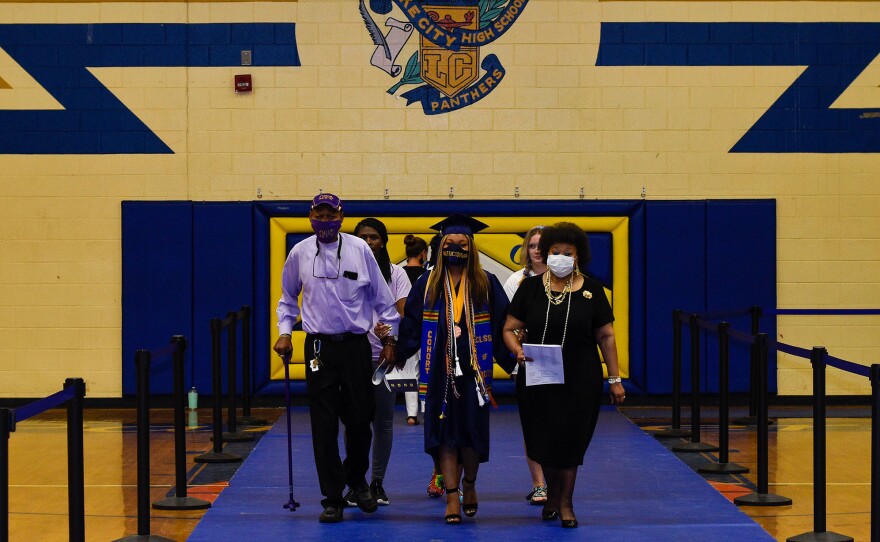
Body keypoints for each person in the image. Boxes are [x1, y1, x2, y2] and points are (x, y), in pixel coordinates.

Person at [272, 194, 401, 524]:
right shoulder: (299, 252)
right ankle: (332, 497)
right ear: (311, 215)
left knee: (361, 420)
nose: (326, 219)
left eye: (331, 214)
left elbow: (383, 302)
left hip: (357, 346)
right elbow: (287, 299)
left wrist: (390, 338)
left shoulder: (360, 249)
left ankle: (356, 479)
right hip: (318, 348)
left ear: (341, 216)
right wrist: (285, 332)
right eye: (320, 213)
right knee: (324, 424)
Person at [502, 222, 626, 529]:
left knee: (571, 441)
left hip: (580, 379)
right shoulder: (529, 288)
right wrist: (517, 350)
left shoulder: (593, 290)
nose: (560, 257)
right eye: (554, 252)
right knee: (541, 439)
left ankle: (566, 502)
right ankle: (553, 492)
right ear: (545, 254)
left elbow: (607, 336)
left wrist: (615, 379)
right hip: (537, 376)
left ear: (578, 256)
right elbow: (508, 329)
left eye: (566, 253)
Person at [398, 214, 514, 524]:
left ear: (471, 248)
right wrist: (396, 352)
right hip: (438, 371)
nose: (455, 248)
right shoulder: (427, 283)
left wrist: (515, 362)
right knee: (444, 435)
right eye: (449, 243)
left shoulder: (486, 282)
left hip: (476, 373)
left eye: (462, 243)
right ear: (440, 247)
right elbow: (411, 325)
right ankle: (451, 495)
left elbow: (504, 325)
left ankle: (470, 485)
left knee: (471, 435)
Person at [345, 218, 411, 508]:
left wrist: (391, 342)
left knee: (382, 422)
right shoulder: (345, 273)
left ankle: (377, 482)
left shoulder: (396, 274)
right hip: (354, 358)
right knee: (354, 423)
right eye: (363, 237)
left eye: (374, 237)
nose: (369, 241)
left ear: (383, 241)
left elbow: (402, 312)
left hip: (384, 359)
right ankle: (355, 483)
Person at [502, 225, 548, 506]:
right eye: (532, 245)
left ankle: (559, 479)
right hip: (527, 363)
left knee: (557, 425)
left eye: (543, 245)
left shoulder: (571, 281)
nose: (538, 250)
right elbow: (508, 324)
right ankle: (539, 483)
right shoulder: (516, 282)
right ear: (526, 250)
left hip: (562, 364)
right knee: (532, 425)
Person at [401, 234, 429, 426]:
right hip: (426, 325)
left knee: (409, 371)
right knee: (428, 369)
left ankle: (411, 414)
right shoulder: (428, 276)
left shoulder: (398, 273)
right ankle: (427, 409)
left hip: (405, 327)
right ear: (423, 253)